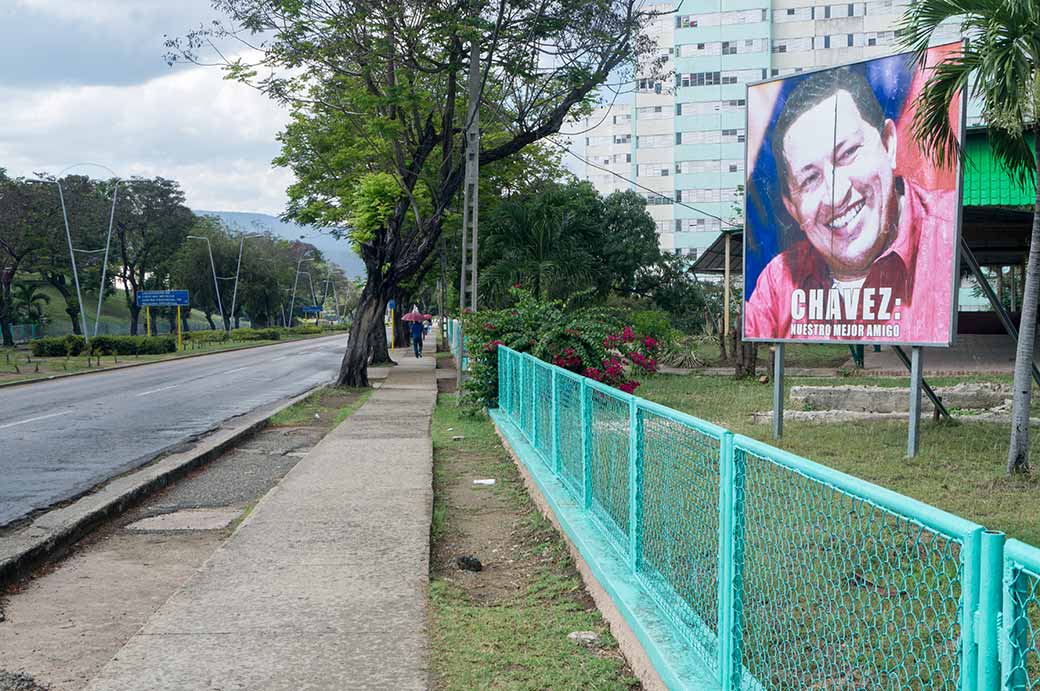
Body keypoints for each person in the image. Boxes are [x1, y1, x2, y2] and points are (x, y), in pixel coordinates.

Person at [744, 66, 957, 343]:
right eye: (810, 179)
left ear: (889, 144)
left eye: (848, 154)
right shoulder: (778, 283)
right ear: (792, 207)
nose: (836, 195)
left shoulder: (947, 237)